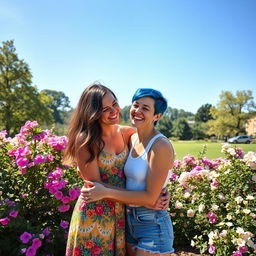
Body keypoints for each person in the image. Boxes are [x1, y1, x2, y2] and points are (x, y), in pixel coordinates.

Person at [63, 84, 169, 256]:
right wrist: (145, 199)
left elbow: (149, 162)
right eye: (105, 109)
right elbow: (96, 188)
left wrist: (161, 190)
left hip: (121, 215)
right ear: (93, 112)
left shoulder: (127, 133)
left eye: (114, 104)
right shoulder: (86, 141)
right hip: (94, 216)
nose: (114, 111)